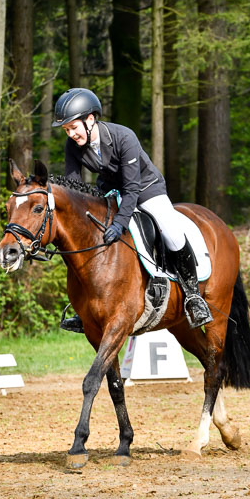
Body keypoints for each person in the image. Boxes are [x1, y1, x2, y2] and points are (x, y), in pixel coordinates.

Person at [52, 87, 212, 331]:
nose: (71, 134)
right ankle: (83, 307)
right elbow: (74, 188)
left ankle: (193, 296)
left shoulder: (123, 137)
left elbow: (132, 187)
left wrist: (120, 223)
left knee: (170, 230)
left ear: (90, 120)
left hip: (146, 189)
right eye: (66, 130)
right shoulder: (72, 146)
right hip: (108, 192)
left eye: (73, 127)